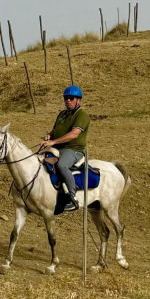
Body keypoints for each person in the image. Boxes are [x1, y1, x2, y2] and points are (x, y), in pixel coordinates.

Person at [41, 84, 90, 213]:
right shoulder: (62, 114)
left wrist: (53, 141)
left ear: (78, 100)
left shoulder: (82, 115)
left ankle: (72, 198)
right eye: (66, 98)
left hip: (73, 149)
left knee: (62, 165)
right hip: (57, 147)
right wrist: (48, 137)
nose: (68, 100)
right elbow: (55, 130)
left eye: (71, 98)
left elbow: (74, 134)